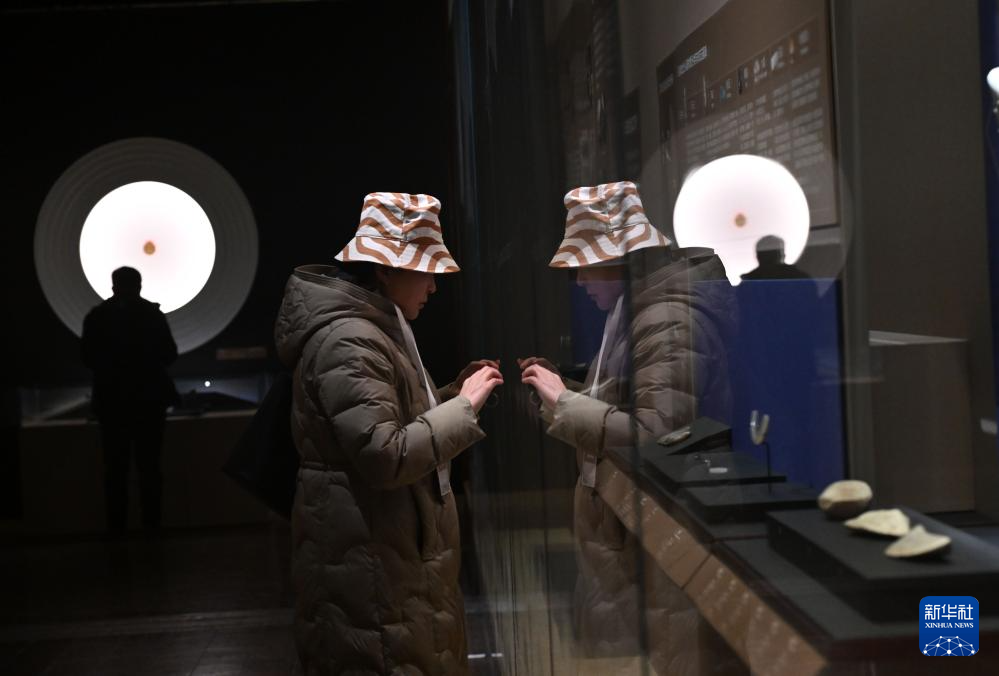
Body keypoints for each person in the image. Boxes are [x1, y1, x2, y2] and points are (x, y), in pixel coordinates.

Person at [274, 192, 504, 676]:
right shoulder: (350, 339)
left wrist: (452, 396)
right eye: (424, 271)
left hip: (385, 554)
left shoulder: (372, 328)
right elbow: (384, 455)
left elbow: (391, 422)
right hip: (371, 563)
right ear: (384, 270)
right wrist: (463, 407)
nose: (433, 286)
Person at [520, 181, 731, 674]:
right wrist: (558, 392)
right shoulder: (637, 310)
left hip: (658, 534)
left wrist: (563, 401)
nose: (578, 280)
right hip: (631, 533)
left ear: (620, 260)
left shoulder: (665, 318)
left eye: (586, 265)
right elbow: (624, 399)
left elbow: (657, 435)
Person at [81, 266, 179, 532]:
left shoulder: (98, 317)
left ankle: (117, 528)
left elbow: (88, 358)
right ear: (139, 285)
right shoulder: (152, 315)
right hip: (149, 402)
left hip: (111, 403)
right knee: (150, 467)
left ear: (113, 286)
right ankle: (152, 526)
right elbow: (169, 354)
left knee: (115, 469)